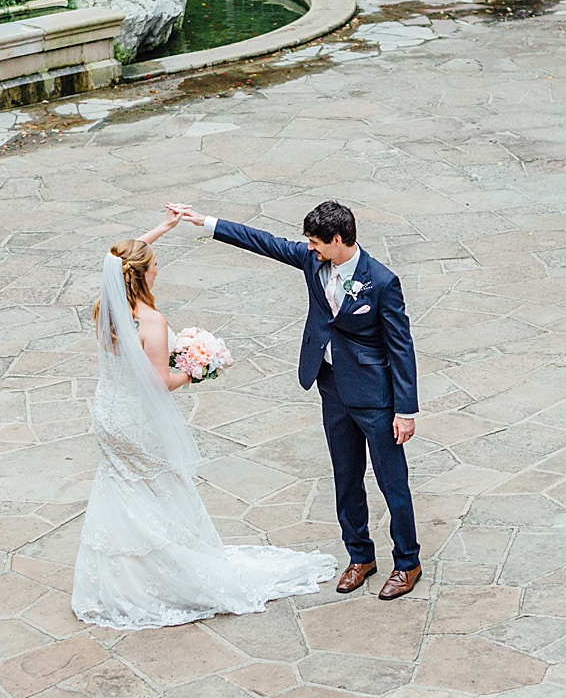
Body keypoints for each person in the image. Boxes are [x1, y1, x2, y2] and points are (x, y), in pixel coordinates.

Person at [70, 213, 333, 631]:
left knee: (123, 490)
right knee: (161, 489)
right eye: (155, 264)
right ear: (141, 276)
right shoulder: (151, 324)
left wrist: (161, 229)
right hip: (137, 421)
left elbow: (116, 258)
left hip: (108, 415)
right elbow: (160, 385)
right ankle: (169, 573)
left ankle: (124, 580)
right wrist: (197, 369)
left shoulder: (106, 305)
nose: (159, 268)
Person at [169, 198, 421, 599]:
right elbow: (263, 241)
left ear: (338, 239)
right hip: (332, 389)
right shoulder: (312, 261)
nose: (310, 248)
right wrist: (206, 222)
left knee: (394, 484)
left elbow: (401, 347)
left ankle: (407, 562)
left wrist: (405, 411)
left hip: (376, 397)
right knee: (346, 478)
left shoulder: (383, 281)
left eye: (316, 242)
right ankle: (361, 556)